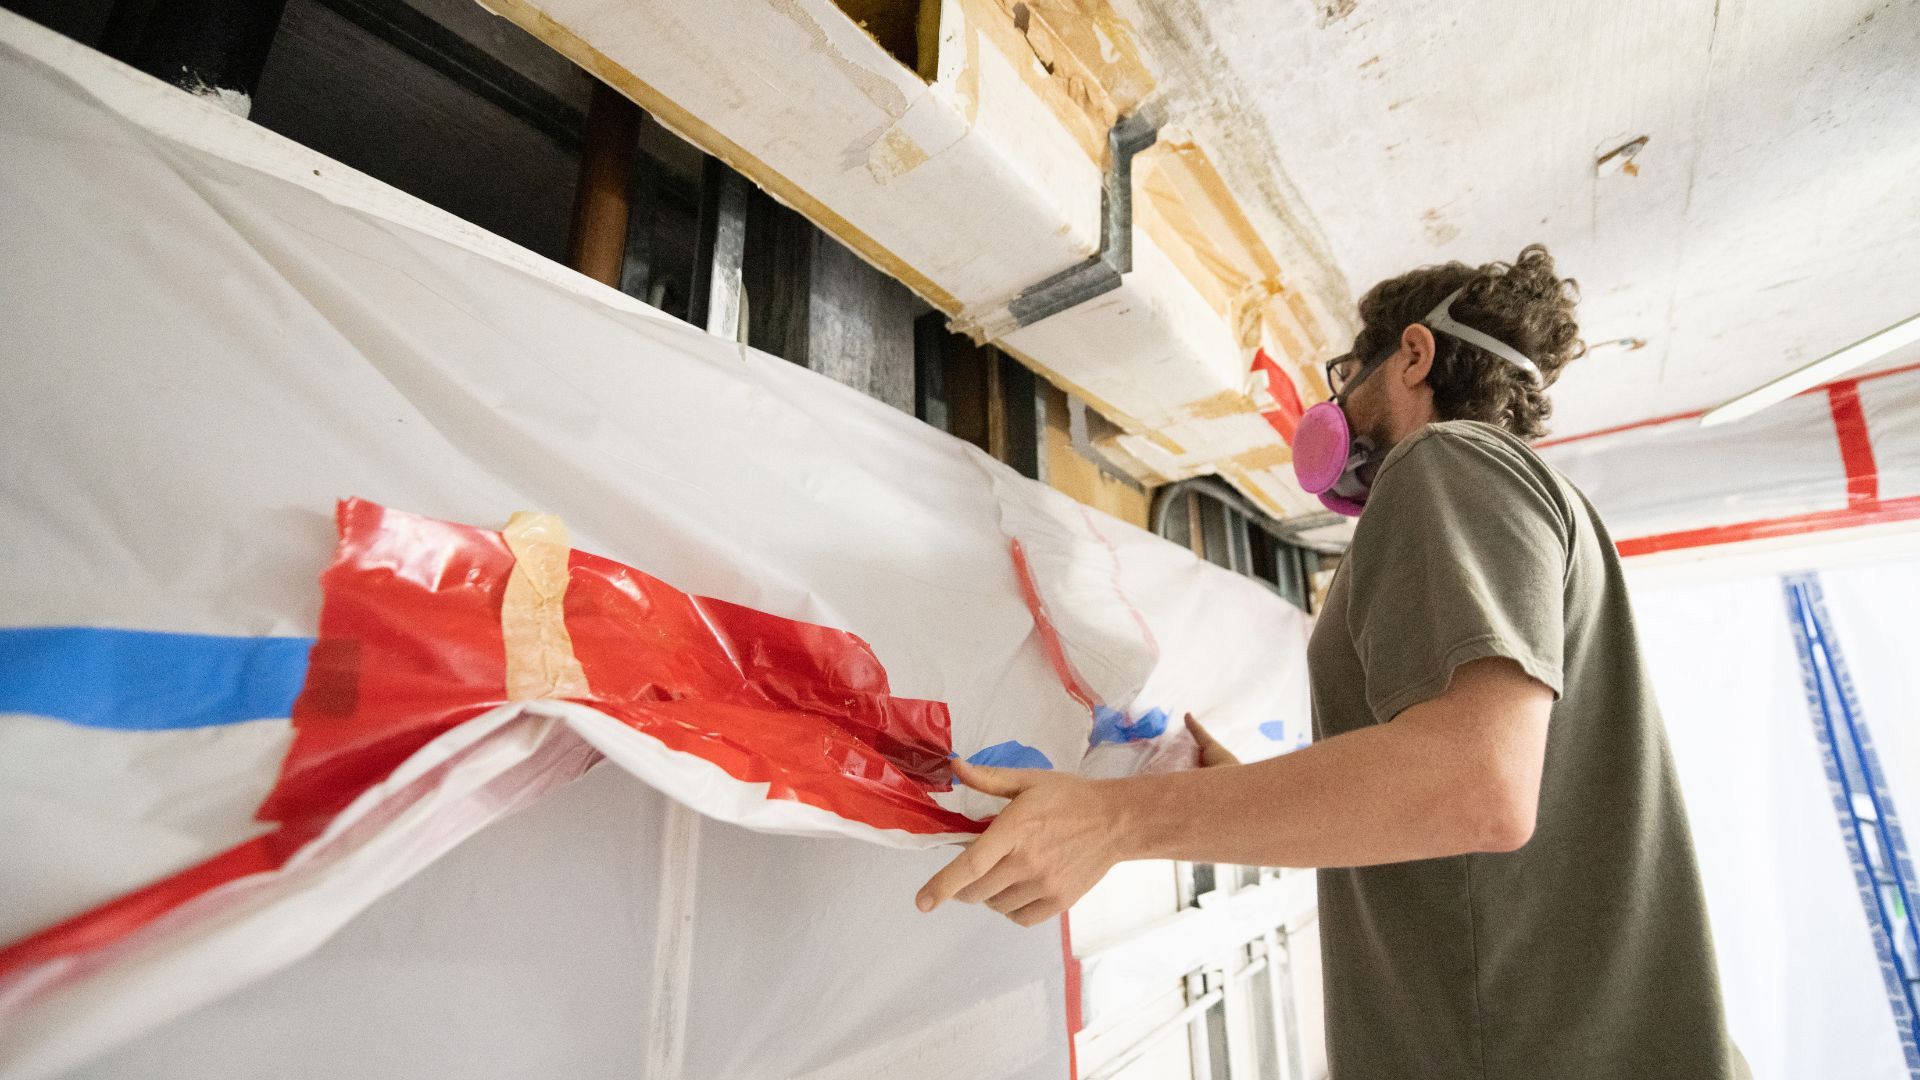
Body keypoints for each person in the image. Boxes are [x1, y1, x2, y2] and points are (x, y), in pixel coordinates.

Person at [916, 245, 1746, 1078]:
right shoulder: (1523, 504)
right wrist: (1229, 790)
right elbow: (1460, 837)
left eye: (1351, 371)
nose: (1338, 399)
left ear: (1412, 354)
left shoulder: (1450, 458)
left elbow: (1478, 787)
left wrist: (1117, 820)